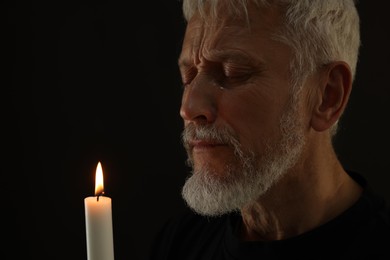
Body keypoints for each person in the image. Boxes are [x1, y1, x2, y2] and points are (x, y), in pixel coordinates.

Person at [150, 0, 390, 259]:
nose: (188, 108)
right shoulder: (180, 243)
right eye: (189, 77)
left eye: (232, 73)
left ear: (327, 96)